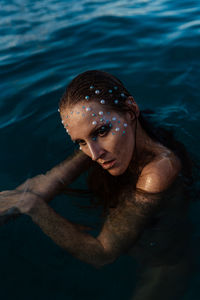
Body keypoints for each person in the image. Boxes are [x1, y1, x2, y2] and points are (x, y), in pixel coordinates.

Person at [0, 70, 195, 299]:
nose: (93, 154)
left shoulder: (159, 171)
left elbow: (101, 253)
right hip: (136, 249)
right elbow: (48, 182)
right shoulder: (110, 141)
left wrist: (31, 205)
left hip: (163, 266)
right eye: (80, 142)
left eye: (101, 131)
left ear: (131, 110)